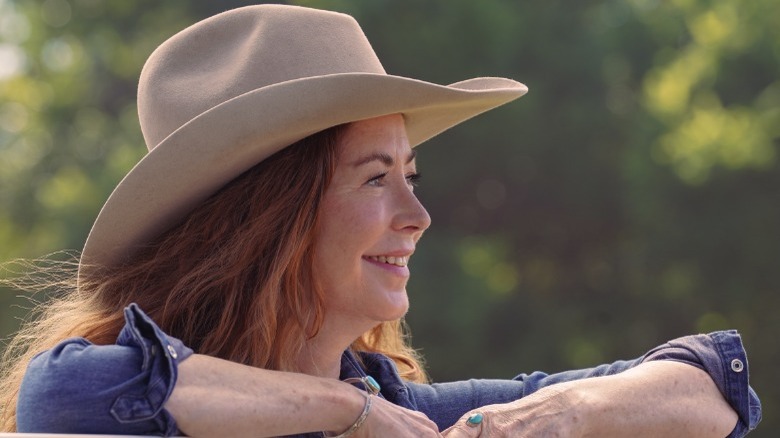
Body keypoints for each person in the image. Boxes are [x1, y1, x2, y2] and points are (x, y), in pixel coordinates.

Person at [0, 4, 761, 437]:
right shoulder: (118, 410)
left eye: (413, 176)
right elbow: (65, 394)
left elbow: (709, 386)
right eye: (376, 179)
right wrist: (349, 410)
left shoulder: (406, 415)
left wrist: (553, 416)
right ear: (268, 219)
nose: (419, 216)